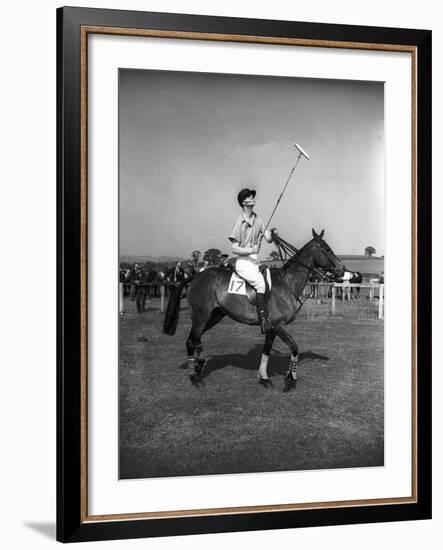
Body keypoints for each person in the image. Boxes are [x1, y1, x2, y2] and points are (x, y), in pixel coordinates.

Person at [228, 188, 276, 333]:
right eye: (249, 196)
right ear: (244, 202)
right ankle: (263, 321)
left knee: (269, 279)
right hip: (243, 262)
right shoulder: (239, 222)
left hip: (255, 262)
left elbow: (268, 238)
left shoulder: (259, 220)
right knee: (261, 285)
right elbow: (234, 249)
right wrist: (250, 250)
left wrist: (273, 233)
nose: (252, 198)